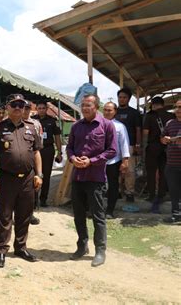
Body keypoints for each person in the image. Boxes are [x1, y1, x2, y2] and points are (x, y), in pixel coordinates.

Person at [0, 94, 43, 268]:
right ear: (7, 107)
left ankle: (20, 247)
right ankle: (1, 250)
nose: (18, 107)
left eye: (21, 105)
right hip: (7, 178)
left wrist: (39, 175)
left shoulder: (31, 128)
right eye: (14, 105)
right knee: (4, 215)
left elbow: (36, 152)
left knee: (24, 214)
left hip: (27, 177)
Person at [66, 93, 116, 267]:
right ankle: (82, 246)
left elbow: (112, 151)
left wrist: (91, 161)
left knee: (98, 216)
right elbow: (69, 148)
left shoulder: (107, 125)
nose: (85, 108)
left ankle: (100, 250)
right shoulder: (75, 126)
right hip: (78, 177)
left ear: (96, 107)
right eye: (83, 105)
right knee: (78, 215)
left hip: (96, 178)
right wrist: (73, 159)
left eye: (89, 105)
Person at [143, 96, 175, 211]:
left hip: (152, 147)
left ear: (154, 104)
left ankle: (151, 195)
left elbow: (145, 132)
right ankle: (162, 194)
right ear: (163, 104)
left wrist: (143, 146)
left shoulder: (150, 115)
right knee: (164, 171)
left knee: (151, 171)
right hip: (168, 147)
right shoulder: (171, 116)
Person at [33, 101, 63, 207]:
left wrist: (59, 152)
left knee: (46, 175)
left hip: (48, 150)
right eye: (39, 108)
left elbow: (57, 137)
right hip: (35, 150)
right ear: (36, 109)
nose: (41, 110)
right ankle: (34, 200)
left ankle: (43, 199)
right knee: (35, 174)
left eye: (43, 108)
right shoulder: (32, 120)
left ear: (46, 109)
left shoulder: (52, 121)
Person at [103, 102, 130, 219]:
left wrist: (125, 161)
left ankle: (110, 210)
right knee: (97, 186)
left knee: (113, 186)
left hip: (113, 161)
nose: (107, 112)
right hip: (98, 161)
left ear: (115, 111)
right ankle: (96, 209)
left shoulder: (120, 126)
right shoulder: (97, 124)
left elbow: (124, 144)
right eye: (105, 110)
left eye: (110, 110)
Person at [115, 88, 142, 203]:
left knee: (129, 170)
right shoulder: (113, 111)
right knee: (115, 170)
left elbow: (138, 129)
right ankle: (116, 191)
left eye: (124, 97)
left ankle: (129, 192)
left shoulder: (134, 113)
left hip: (129, 145)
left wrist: (137, 144)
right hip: (114, 146)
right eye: (120, 97)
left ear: (129, 99)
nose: (121, 99)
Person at [160, 99, 181, 224]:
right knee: (174, 191)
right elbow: (162, 139)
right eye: (177, 107)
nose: (179, 110)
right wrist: (165, 139)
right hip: (172, 164)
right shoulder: (170, 123)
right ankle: (176, 215)